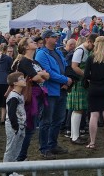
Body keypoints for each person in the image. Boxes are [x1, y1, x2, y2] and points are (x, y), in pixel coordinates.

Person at [35, 30, 73, 159]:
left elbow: (65, 66)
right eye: (53, 37)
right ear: (46, 39)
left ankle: (53, 145)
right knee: (46, 121)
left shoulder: (57, 51)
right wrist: (64, 80)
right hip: (49, 92)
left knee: (58, 120)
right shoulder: (41, 54)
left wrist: (66, 80)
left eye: (56, 36)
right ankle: (44, 148)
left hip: (60, 90)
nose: (56, 38)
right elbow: (48, 73)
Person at [12, 37, 49, 162]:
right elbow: (37, 78)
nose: (35, 43)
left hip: (38, 96)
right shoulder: (24, 62)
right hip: (29, 97)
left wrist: (41, 75)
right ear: (26, 47)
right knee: (28, 128)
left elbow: (46, 75)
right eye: (32, 42)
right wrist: (41, 75)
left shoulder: (35, 62)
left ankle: (22, 155)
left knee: (30, 128)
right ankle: (20, 157)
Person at [84, 36, 104, 149]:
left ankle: (92, 142)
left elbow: (86, 75)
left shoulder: (90, 58)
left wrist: (92, 78)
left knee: (94, 115)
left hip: (94, 87)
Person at [68, 35, 95, 145]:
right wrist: (86, 76)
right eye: (93, 44)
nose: (93, 47)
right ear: (89, 41)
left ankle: (75, 135)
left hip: (81, 82)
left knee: (78, 109)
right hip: (79, 82)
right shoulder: (80, 50)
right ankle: (74, 137)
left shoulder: (84, 50)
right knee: (78, 109)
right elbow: (74, 66)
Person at [3, 72, 26, 165]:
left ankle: (13, 170)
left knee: (17, 149)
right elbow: (11, 113)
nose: (24, 80)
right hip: (14, 127)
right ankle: (7, 171)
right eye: (21, 78)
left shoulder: (20, 95)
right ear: (15, 83)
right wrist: (15, 126)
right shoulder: (13, 96)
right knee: (11, 149)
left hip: (21, 125)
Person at [0, 46, 14, 125]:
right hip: (5, 81)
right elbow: (11, 69)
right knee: (4, 101)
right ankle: (2, 119)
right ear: (6, 51)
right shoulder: (9, 59)